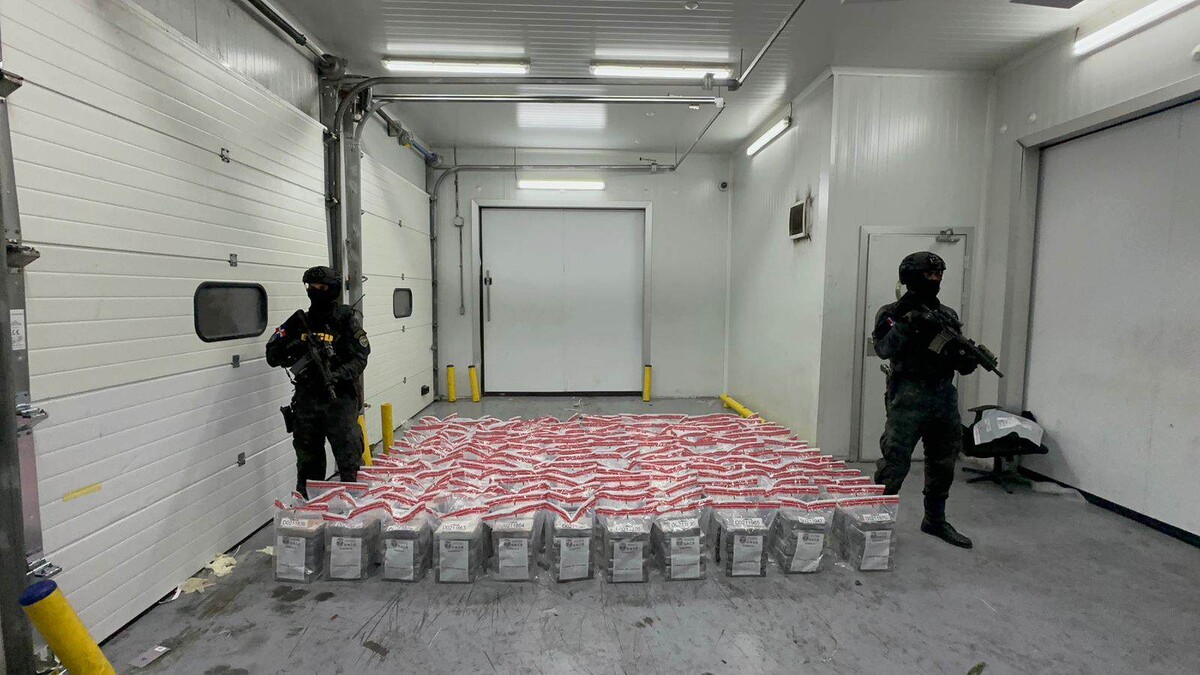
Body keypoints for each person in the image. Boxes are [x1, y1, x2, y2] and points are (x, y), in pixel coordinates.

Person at [872, 251, 975, 549]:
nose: (935, 279)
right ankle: (876, 523)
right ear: (910, 277)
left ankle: (934, 520)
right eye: (929, 275)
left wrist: (965, 359)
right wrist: (908, 324)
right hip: (908, 395)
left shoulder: (947, 315)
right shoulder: (893, 312)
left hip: (943, 395)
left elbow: (956, 356)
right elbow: (883, 349)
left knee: (943, 461)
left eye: (939, 274)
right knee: (895, 461)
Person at [266, 266, 370, 498]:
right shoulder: (298, 321)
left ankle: (352, 509)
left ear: (333, 290)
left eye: (321, 287)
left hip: (339, 400)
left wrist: (337, 374)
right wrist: (293, 348)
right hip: (307, 402)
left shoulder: (345, 320)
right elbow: (272, 355)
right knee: (308, 466)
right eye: (311, 287)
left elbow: (360, 358)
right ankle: (309, 510)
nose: (315, 291)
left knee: (349, 462)